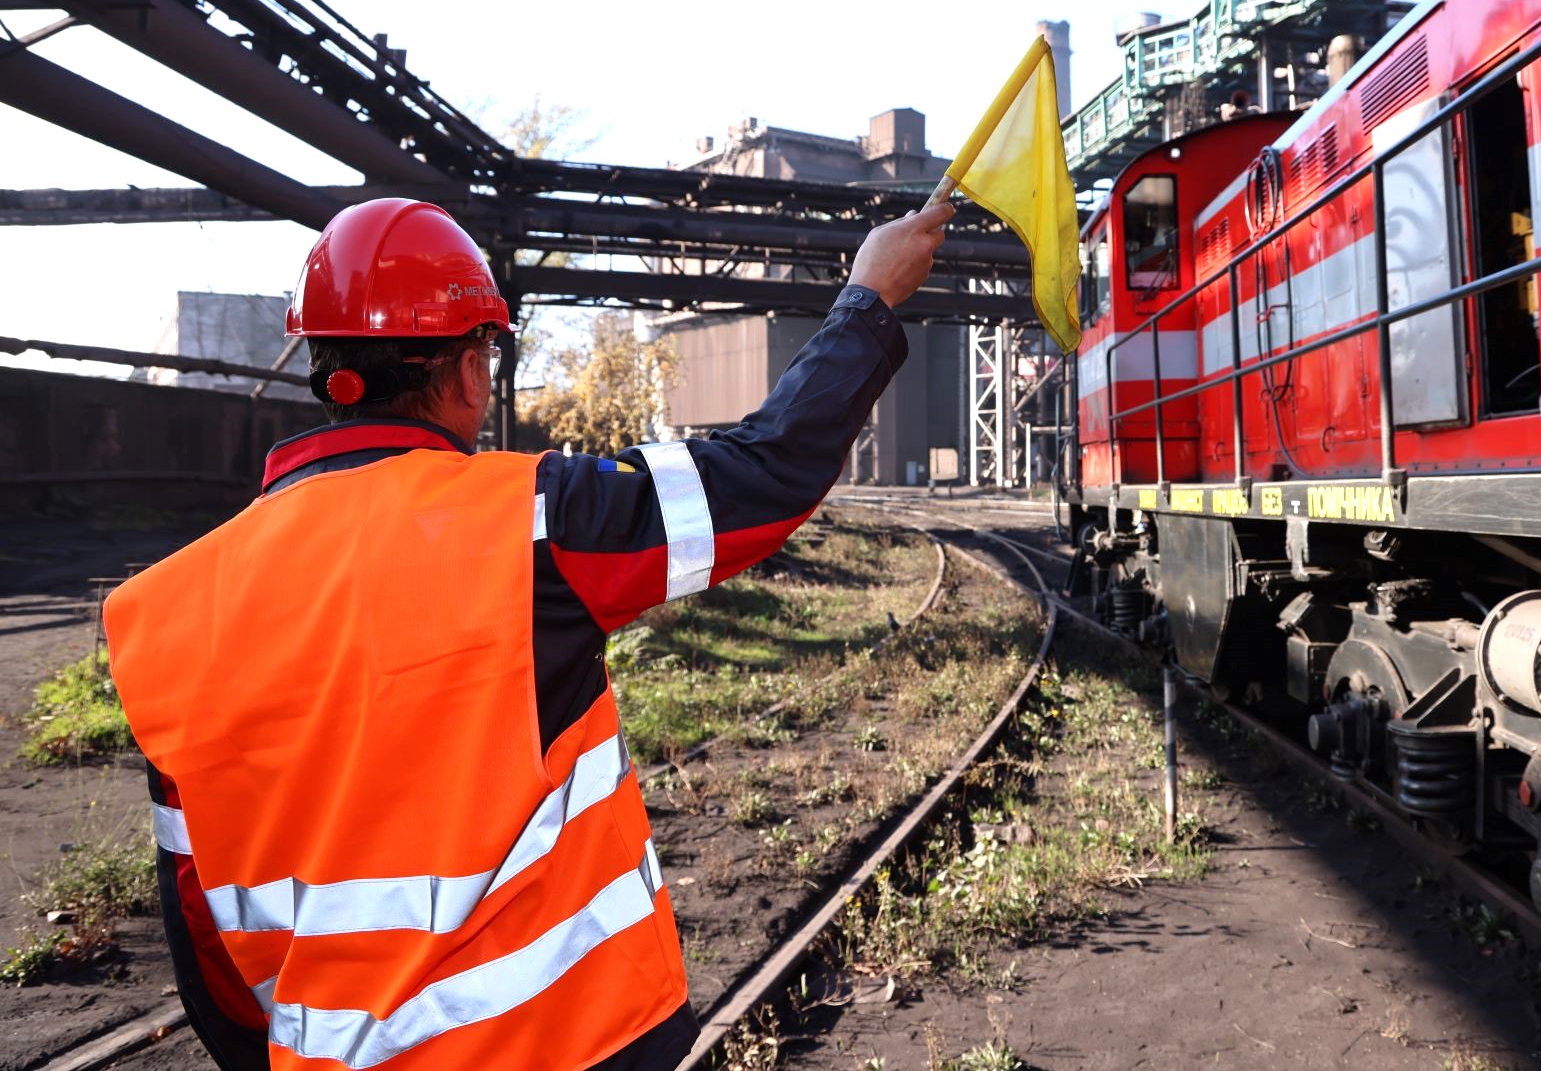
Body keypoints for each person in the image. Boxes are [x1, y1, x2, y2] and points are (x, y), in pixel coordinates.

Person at [105, 194, 953, 1071]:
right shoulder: (533, 524)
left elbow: (203, 945)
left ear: (325, 366)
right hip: (566, 1047)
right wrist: (868, 296)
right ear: (472, 369)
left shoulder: (159, 613)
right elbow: (763, 472)